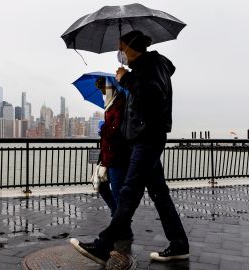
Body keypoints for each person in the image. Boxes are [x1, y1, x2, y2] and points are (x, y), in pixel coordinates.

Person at [70, 30, 189, 268]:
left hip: (148, 139)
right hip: (143, 139)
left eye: (121, 46)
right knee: (159, 194)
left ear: (130, 47)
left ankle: (103, 246)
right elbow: (138, 105)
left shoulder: (152, 65)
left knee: (128, 193)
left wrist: (126, 79)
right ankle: (179, 244)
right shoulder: (146, 68)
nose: (119, 52)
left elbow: (153, 94)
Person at [93, 77, 130, 217]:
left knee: (117, 190)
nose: (103, 93)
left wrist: (103, 128)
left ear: (110, 87)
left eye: (103, 89)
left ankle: (121, 222)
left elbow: (116, 130)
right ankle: (117, 213)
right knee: (101, 185)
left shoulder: (120, 103)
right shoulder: (109, 105)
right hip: (107, 153)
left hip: (117, 154)